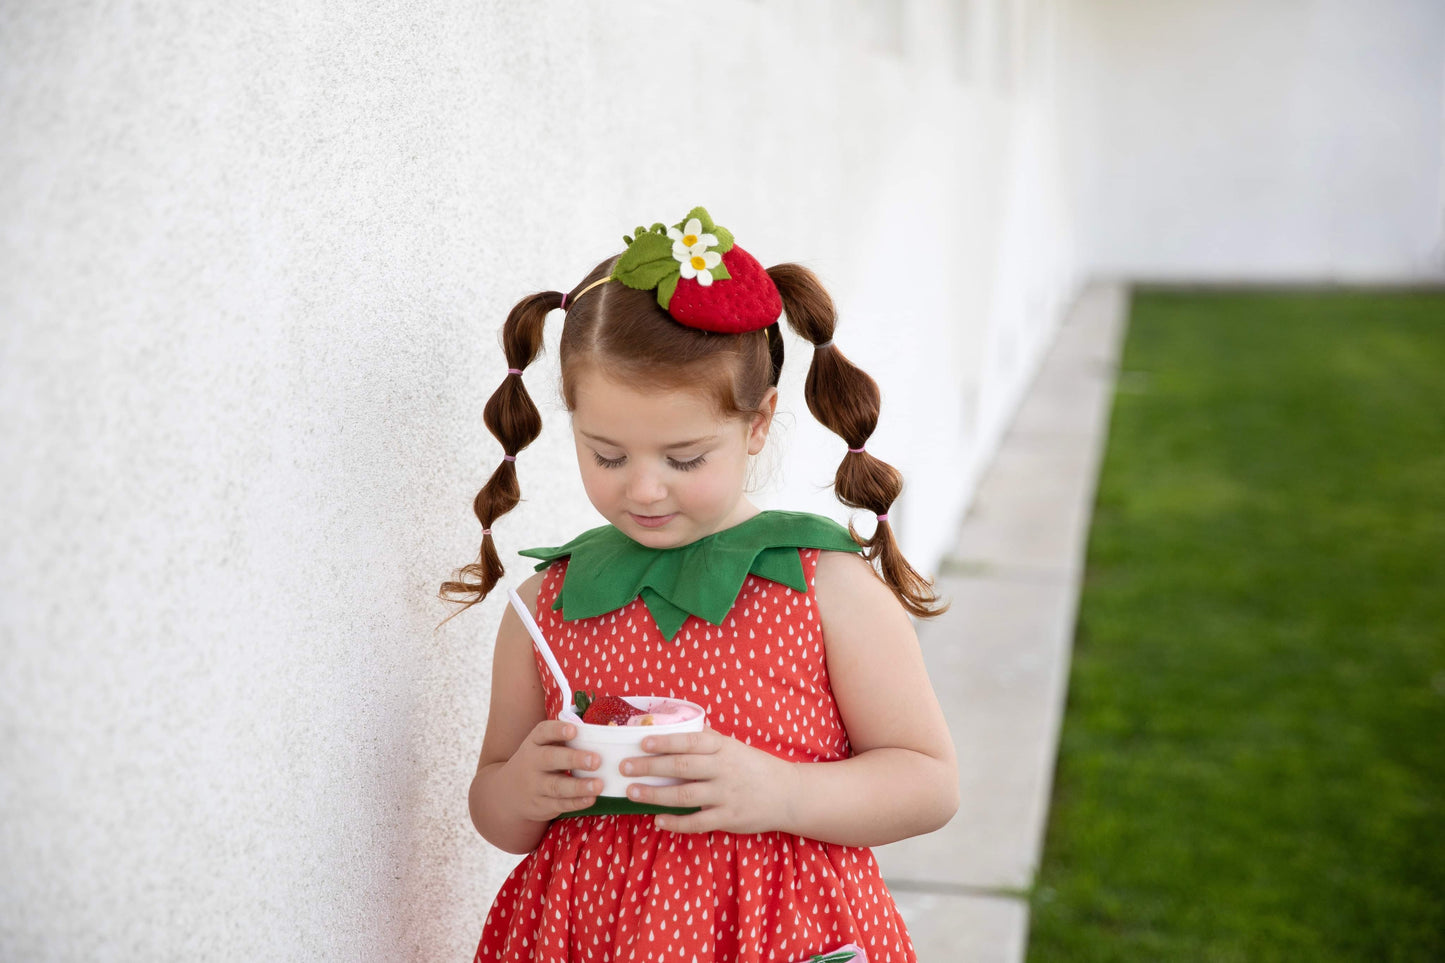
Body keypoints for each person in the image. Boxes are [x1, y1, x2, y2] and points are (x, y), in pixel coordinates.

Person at [441, 207, 958, 963]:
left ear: (757, 425)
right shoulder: (548, 602)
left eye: (684, 457)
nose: (644, 489)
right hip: (588, 934)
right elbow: (495, 805)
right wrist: (523, 788)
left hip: (777, 934)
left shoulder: (823, 586)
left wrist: (782, 793)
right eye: (607, 455)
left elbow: (927, 781)